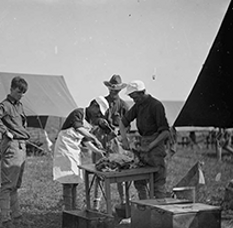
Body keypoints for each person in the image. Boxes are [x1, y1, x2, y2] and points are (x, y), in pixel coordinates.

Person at [0, 76, 31, 228]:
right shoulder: (5, 105)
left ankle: (17, 216)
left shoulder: (19, 106)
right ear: (12, 89)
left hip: (21, 145)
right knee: (7, 185)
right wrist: (6, 131)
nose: (21, 94)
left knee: (16, 185)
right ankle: (6, 220)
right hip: (12, 146)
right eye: (19, 91)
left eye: (23, 92)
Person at [53, 97, 107, 211]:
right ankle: (69, 210)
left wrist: (98, 151)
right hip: (65, 148)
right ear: (94, 105)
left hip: (74, 150)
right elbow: (80, 130)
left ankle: (73, 208)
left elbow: (84, 140)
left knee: (74, 180)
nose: (98, 115)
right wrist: (95, 139)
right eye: (98, 111)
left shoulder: (88, 121)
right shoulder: (78, 113)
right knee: (67, 180)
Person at [119, 80, 170, 199]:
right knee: (140, 181)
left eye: (135, 97)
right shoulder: (138, 106)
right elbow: (123, 122)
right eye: (132, 98)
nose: (134, 100)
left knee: (157, 183)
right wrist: (124, 139)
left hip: (156, 145)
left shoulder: (156, 105)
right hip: (143, 144)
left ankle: (160, 213)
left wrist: (150, 146)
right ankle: (144, 209)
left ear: (142, 93)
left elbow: (165, 132)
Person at [90, 74, 130, 211]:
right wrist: (99, 123)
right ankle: (96, 205)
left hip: (115, 142)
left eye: (116, 90)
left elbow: (128, 125)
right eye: (112, 89)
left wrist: (119, 132)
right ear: (108, 88)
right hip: (101, 139)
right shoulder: (100, 102)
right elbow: (91, 118)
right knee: (99, 171)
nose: (114, 92)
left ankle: (123, 204)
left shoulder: (124, 105)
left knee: (119, 172)